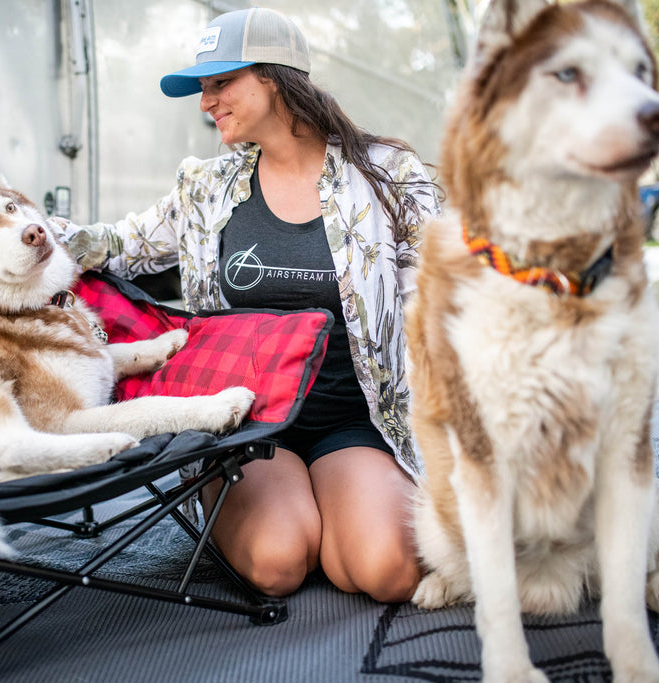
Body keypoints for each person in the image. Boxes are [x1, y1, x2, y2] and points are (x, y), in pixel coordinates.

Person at [61, 7, 440, 601]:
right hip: (248, 424)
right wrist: (26, 239)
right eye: (203, 88)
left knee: (386, 571)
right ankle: (292, 513)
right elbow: (120, 247)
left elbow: (452, 289)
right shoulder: (205, 190)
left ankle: (332, 505)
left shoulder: (387, 177)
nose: (205, 101)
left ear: (274, 77)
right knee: (277, 563)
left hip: (356, 421)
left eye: (220, 83)